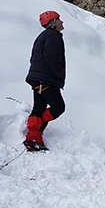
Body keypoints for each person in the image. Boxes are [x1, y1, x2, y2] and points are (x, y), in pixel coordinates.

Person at [23, 11, 66, 152]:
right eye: (59, 19)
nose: (62, 22)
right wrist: (59, 75)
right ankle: (35, 130)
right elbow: (52, 59)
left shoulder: (41, 37)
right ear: (53, 22)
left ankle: (33, 138)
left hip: (37, 79)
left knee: (39, 107)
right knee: (58, 107)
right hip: (46, 79)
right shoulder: (53, 36)